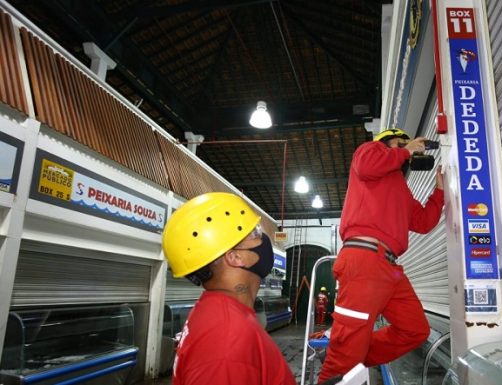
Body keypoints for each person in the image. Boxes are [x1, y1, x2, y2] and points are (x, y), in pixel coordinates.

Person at [318, 128, 444, 382]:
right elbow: (366, 166)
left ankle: (351, 356)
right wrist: (404, 151)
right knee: (343, 359)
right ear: (389, 142)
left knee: (415, 330)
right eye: (403, 144)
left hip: (390, 268)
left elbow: (422, 222)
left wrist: (439, 192)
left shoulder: (400, 187)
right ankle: (344, 361)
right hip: (364, 260)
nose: (410, 151)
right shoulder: (369, 151)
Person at [161, 192, 296, 385]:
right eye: (255, 233)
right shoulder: (227, 341)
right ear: (235, 257)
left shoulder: (220, 313)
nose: (263, 239)